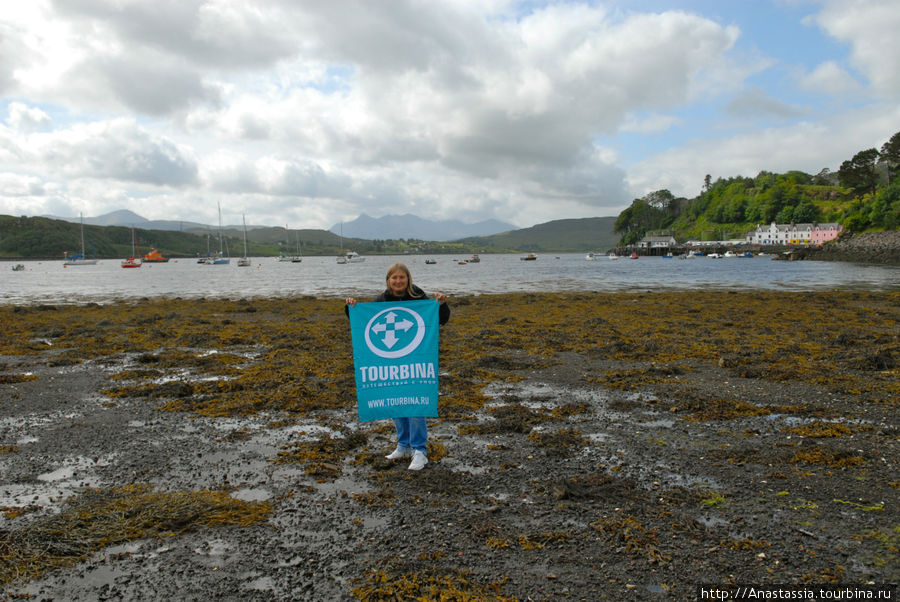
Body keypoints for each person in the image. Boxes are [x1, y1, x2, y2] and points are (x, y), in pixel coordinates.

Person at [345, 262, 450, 470]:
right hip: (391, 360)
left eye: (402, 277)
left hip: (415, 360)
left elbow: (441, 320)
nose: (398, 281)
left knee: (416, 404)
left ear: (408, 279)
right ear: (388, 280)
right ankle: (403, 445)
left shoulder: (419, 297)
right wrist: (352, 307)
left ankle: (420, 450)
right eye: (394, 278)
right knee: (396, 401)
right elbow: (363, 322)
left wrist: (442, 304)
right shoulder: (381, 300)